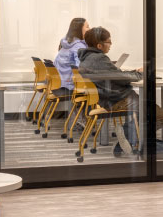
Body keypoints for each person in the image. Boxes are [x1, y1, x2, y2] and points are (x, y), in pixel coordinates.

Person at [77, 26, 144, 156]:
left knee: (150, 112)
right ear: (99, 45)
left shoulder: (87, 58)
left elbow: (116, 76)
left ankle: (127, 138)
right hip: (117, 99)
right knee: (157, 114)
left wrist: (133, 72)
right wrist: (140, 74)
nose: (111, 44)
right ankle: (126, 135)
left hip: (106, 98)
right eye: (108, 42)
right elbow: (121, 78)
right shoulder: (99, 59)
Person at [53, 18, 88, 98]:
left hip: (58, 85)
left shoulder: (66, 44)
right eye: (87, 27)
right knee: (100, 88)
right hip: (69, 87)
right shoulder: (79, 46)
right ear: (79, 29)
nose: (89, 29)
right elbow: (81, 68)